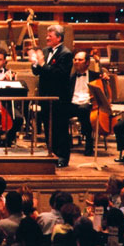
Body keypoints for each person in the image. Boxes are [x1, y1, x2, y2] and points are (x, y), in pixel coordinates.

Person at [29, 24, 73, 167]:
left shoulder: (66, 54)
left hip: (59, 98)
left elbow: (59, 74)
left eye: (50, 36)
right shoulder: (46, 51)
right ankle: (51, 153)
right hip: (46, 96)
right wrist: (35, 63)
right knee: (49, 127)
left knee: (60, 128)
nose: (47, 38)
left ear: (59, 38)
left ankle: (62, 157)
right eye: (47, 35)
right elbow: (38, 72)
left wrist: (42, 64)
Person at [68, 50, 99, 156]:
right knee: (59, 111)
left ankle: (89, 142)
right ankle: (65, 141)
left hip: (87, 103)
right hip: (73, 103)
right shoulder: (70, 77)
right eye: (75, 59)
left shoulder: (96, 76)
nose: (76, 62)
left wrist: (105, 78)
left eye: (80, 60)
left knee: (83, 110)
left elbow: (104, 91)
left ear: (87, 62)